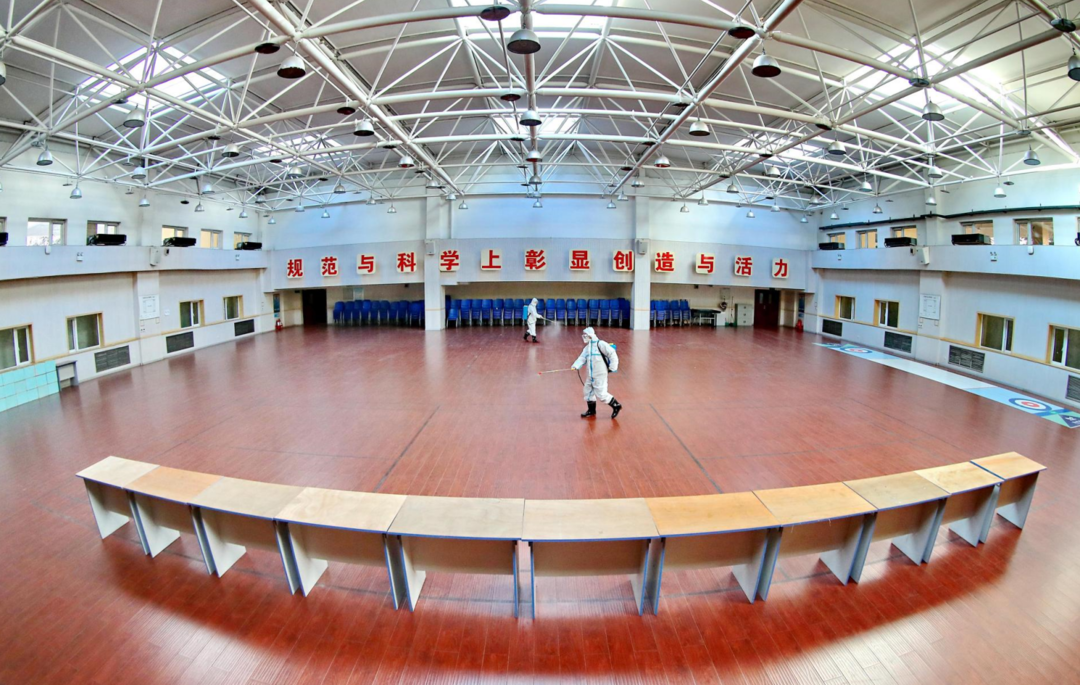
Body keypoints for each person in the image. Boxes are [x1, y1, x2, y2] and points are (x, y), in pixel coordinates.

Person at [571, 327, 622, 418]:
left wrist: (613, 367)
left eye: (586, 335)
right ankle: (591, 410)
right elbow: (582, 358)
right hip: (590, 374)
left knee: (601, 394)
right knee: (588, 391)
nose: (584, 337)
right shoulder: (588, 348)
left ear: (591, 336)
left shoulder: (601, 344)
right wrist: (576, 366)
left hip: (600, 374)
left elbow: (612, 354)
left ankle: (616, 405)